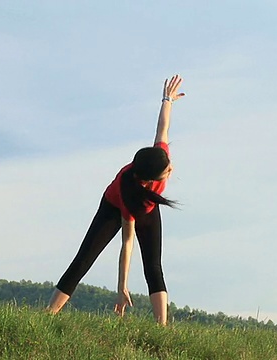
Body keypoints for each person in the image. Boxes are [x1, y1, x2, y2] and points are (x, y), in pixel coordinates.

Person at [46, 75, 186, 325]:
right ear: (148, 181)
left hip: (148, 205)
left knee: (153, 265)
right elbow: (127, 243)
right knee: (84, 258)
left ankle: (161, 329)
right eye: (167, 170)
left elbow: (162, 128)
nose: (171, 169)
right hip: (113, 207)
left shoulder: (156, 156)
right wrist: (122, 288)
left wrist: (167, 100)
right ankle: (48, 314)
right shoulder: (128, 193)